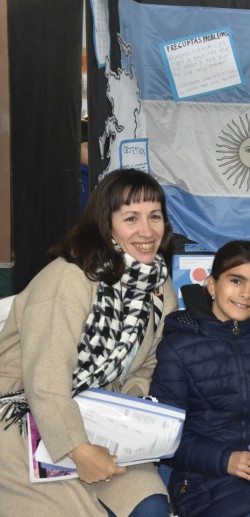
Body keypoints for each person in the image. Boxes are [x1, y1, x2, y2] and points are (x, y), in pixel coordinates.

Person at [0, 168, 178, 516]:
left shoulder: (157, 285)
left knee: (150, 506)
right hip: (20, 416)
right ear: (105, 224)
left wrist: (131, 404)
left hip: (100, 417)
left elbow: (154, 360)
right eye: (131, 218)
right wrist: (78, 449)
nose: (147, 231)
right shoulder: (69, 279)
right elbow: (45, 380)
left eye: (154, 216)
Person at [149, 240, 250, 517]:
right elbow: (167, 437)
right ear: (212, 285)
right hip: (203, 477)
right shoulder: (179, 345)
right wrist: (226, 460)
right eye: (236, 280)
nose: (246, 293)